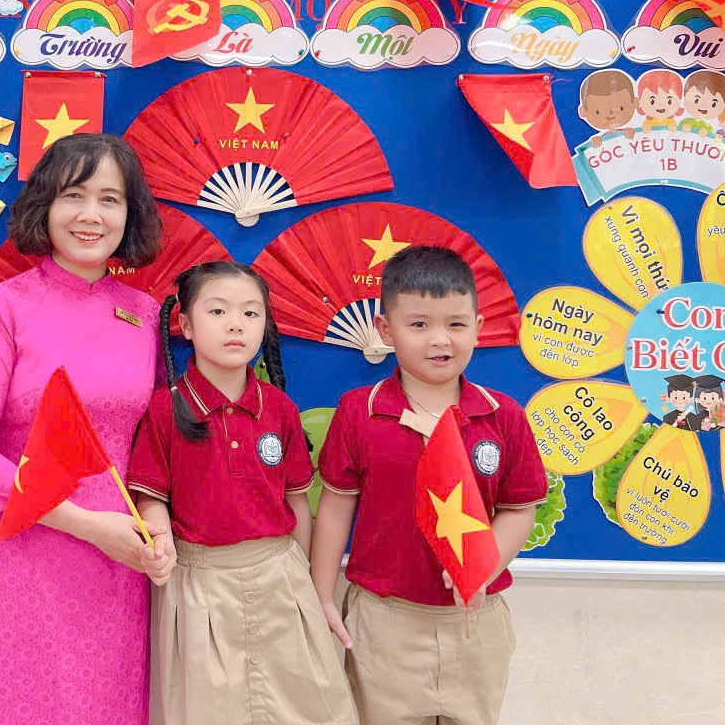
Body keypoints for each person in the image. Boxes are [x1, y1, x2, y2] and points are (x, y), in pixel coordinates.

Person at [0, 132, 168, 725]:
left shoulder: (146, 315)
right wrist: (87, 525)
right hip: (24, 554)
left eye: (110, 199)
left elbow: (155, 448)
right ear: (45, 205)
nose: (92, 215)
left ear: (131, 213)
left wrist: (158, 526)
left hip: (120, 563)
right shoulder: (3, 307)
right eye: (74, 195)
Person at [310, 246, 548, 725]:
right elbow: (335, 508)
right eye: (418, 324)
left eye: (456, 324)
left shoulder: (503, 416)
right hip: (383, 621)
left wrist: (484, 566)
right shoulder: (359, 411)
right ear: (385, 330)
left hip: (475, 622)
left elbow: (519, 507)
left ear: (478, 328)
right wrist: (321, 598)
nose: (440, 339)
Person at [129, 261, 357, 725]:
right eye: (217, 311)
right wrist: (159, 536)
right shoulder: (165, 408)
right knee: (209, 709)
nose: (236, 324)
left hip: (281, 578)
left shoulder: (279, 408)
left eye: (251, 313)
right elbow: (151, 496)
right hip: (199, 585)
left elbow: (297, 502)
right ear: (186, 325)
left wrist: (308, 586)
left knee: (305, 706)